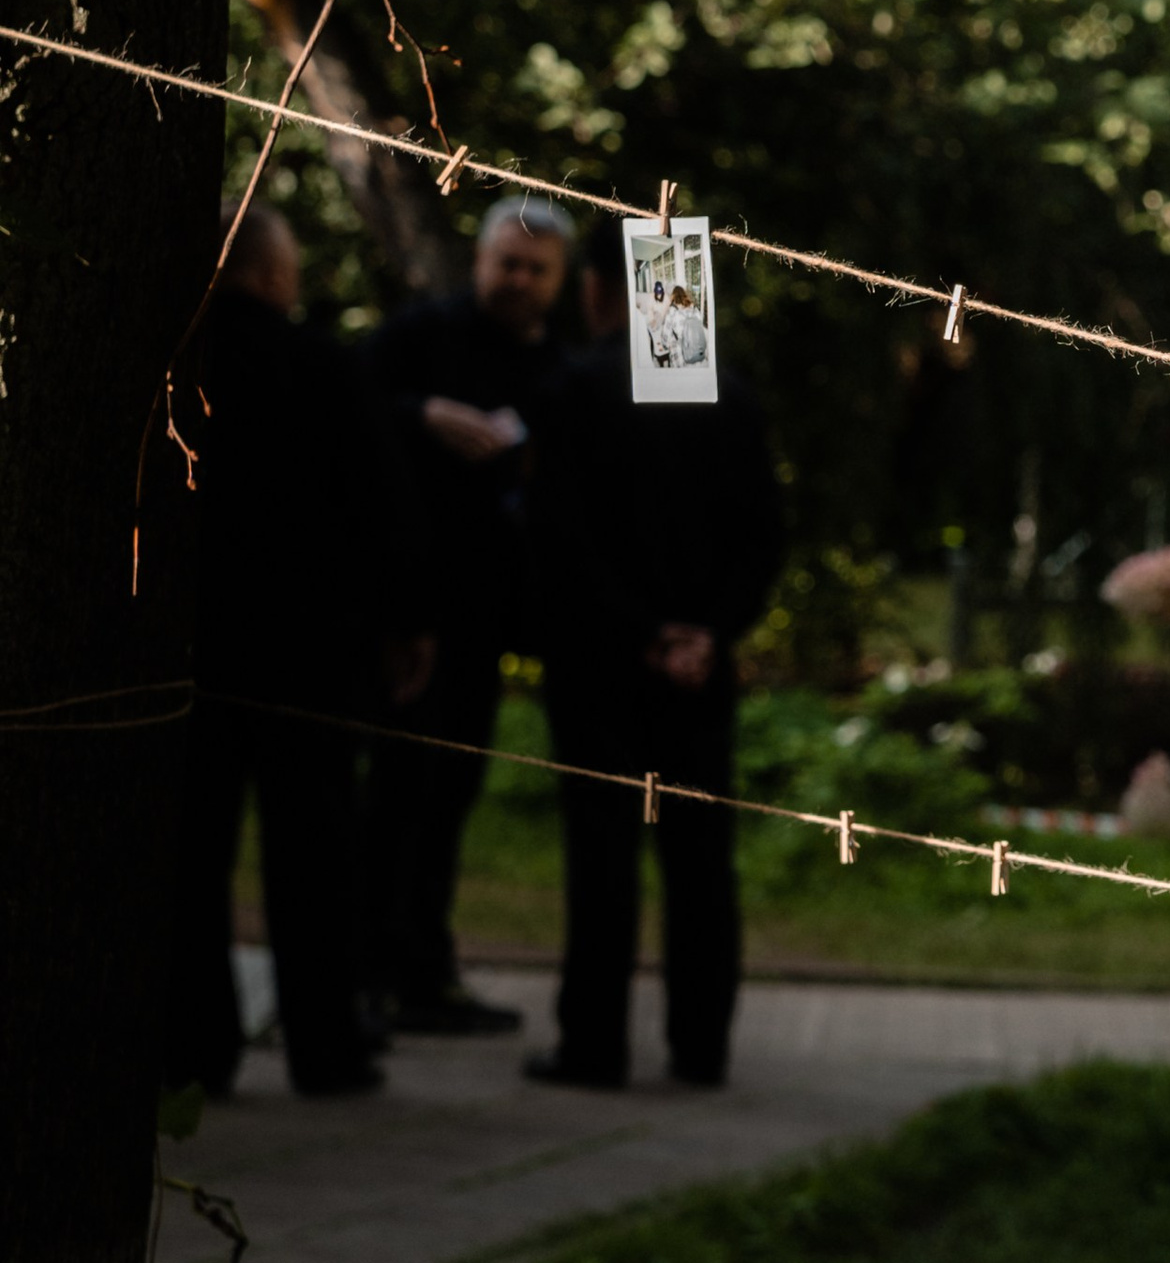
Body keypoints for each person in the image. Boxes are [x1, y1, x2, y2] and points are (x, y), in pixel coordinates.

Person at [171, 202, 430, 1100]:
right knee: (316, 854)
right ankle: (326, 1047)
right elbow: (383, 501)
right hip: (312, 655)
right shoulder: (320, 363)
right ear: (274, 274)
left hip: (193, 650)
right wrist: (406, 624)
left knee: (191, 855)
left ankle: (192, 1048)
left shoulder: (174, 365)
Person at [524, 226, 785, 1089]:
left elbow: (561, 539)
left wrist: (643, 631)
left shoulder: (576, 388)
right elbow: (764, 538)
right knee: (700, 858)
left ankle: (594, 1045)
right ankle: (701, 1047)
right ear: (690, 297)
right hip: (701, 671)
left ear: (599, 288)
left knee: (602, 855)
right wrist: (708, 633)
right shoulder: (732, 400)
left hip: (602, 665)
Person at [363, 195, 575, 1033]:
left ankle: (423, 972)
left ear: (558, 280)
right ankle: (369, 974)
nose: (519, 280)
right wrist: (425, 414)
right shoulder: (420, 336)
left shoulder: (560, 366)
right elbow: (342, 411)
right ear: (481, 261)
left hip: (488, 620)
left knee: (450, 794)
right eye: (507, 264)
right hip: (408, 614)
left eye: (536, 270)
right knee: (395, 793)